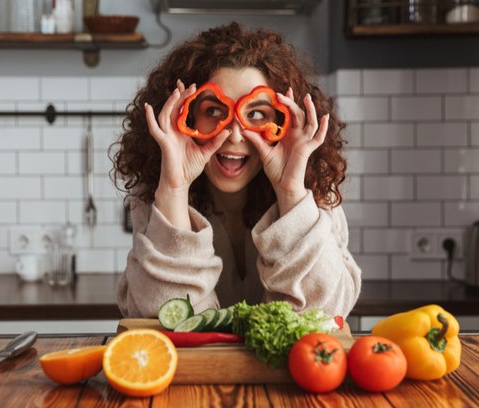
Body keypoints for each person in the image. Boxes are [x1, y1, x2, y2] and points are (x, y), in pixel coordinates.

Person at [112, 22, 361, 319]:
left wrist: (290, 191)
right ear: (186, 115)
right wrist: (175, 189)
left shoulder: (315, 194)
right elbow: (166, 319)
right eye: (214, 111)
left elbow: (323, 315)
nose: (235, 135)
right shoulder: (158, 197)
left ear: (282, 123)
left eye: (255, 114)